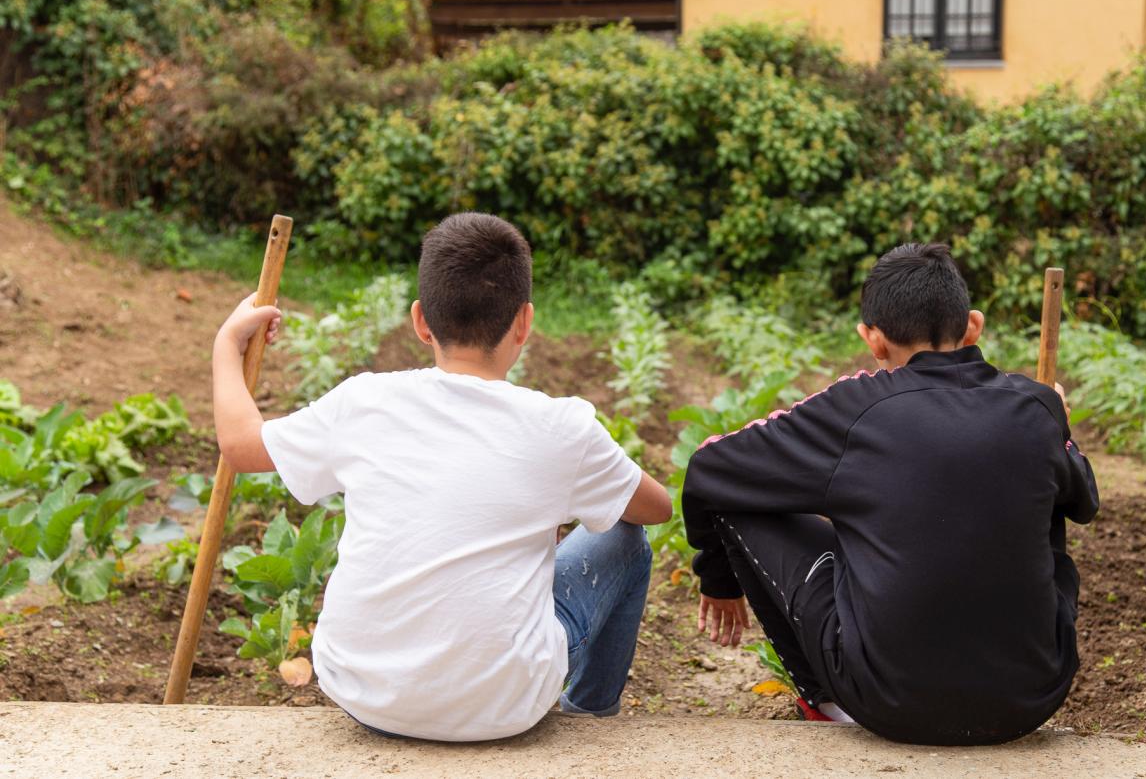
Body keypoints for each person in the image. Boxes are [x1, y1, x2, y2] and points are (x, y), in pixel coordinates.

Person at [211, 212, 671, 742]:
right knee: (623, 535)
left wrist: (228, 345)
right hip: (506, 707)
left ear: (421, 320)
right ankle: (590, 712)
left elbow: (240, 446)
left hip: (365, 694)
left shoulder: (364, 402)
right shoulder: (561, 427)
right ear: (524, 322)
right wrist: (554, 505)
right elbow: (654, 509)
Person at [681, 243, 1099, 745]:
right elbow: (1084, 501)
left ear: (873, 340)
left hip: (887, 702)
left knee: (735, 497)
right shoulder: (1034, 406)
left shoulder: (856, 407)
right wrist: (1061, 430)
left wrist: (718, 580)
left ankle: (827, 702)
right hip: (1030, 699)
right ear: (973, 326)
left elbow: (709, 466)